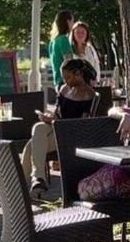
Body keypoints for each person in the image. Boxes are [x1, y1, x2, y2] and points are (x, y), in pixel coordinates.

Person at [22, 58, 97, 196]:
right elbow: (57, 114)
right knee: (38, 127)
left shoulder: (89, 95)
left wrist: (57, 122)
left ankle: (20, 186)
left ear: (78, 74)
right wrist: (49, 118)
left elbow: (81, 124)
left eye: (68, 78)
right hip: (56, 127)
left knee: (30, 146)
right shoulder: (64, 89)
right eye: (64, 78)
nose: (66, 81)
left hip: (70, 135)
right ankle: (37, 179)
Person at [48, 10, 75, 87]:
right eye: (72, 21)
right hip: (66, 82)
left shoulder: (52, 42)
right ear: (68, 22)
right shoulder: (64, 39)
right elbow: (68, 62)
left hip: (57, 81)